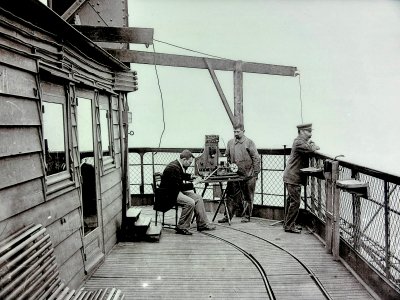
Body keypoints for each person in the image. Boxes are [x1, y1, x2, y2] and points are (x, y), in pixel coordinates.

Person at [160, 149, 216, 235]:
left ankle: (202, 224)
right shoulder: (174, 168)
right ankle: (182, 227)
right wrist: (194, 183)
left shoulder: (177, 165)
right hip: (169, 195)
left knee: (198, 198)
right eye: (189, 163)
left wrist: (192, 176)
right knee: (190, 202)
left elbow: (181, 176)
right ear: (184, 160)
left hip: (174, 191)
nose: (190, 165)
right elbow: (180, 186)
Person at [218, 123, 260, 223]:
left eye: (238, 131)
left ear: (243, 131)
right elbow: (227, 156)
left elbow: (256, 158)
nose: (236, 133)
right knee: (231, 196)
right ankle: (227, 216)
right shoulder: (230, 143)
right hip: (234, 176)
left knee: (248, 196)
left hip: (248, 175)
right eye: (234, 131)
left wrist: (256, 172)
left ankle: (246, 216)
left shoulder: (249, 142)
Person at [283, 123, 320, 233]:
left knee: (291, 201)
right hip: (293, 177)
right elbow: (311, 149)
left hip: (291, 176)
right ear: (302, 131)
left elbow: (309, 147)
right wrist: (314, 146)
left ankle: (288, 224)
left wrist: (312, 145)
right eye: (308, 131)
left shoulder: (300, 142)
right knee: (295, 202)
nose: (311, 133)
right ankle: (289, 225)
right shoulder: (299, 142)